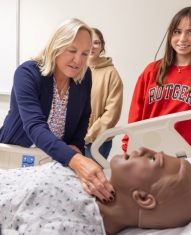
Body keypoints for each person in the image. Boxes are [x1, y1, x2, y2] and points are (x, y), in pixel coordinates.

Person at [0, 18, 114, 203]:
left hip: (57, 157)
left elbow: (84, 116)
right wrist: (76, 159)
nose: (78, 60)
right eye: (72, 51)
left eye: (85, 53)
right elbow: (35, 126)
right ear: (56, 46)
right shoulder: (27, 74)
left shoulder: (84, 76)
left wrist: (75, 146)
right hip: (17, 153)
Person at [0, 147, 191, 235]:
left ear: (143, 198)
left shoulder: (75, 227)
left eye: (153, 159)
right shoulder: (87, 176)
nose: (143, 149)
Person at [122, 6, 191, 155]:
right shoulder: (151, 71)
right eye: (177, 32)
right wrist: (128, 149)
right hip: (149, 157)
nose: (182, 39)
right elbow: (135, 118)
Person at [84, 28, 123, 160]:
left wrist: (89, 136)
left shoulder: (111, 73)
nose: (91, 47)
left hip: (99, 140)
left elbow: (112, 113)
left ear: (102, 46)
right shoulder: (74, 70)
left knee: (93, 179)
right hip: (73, 139)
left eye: (95, 42)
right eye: (87, 42)